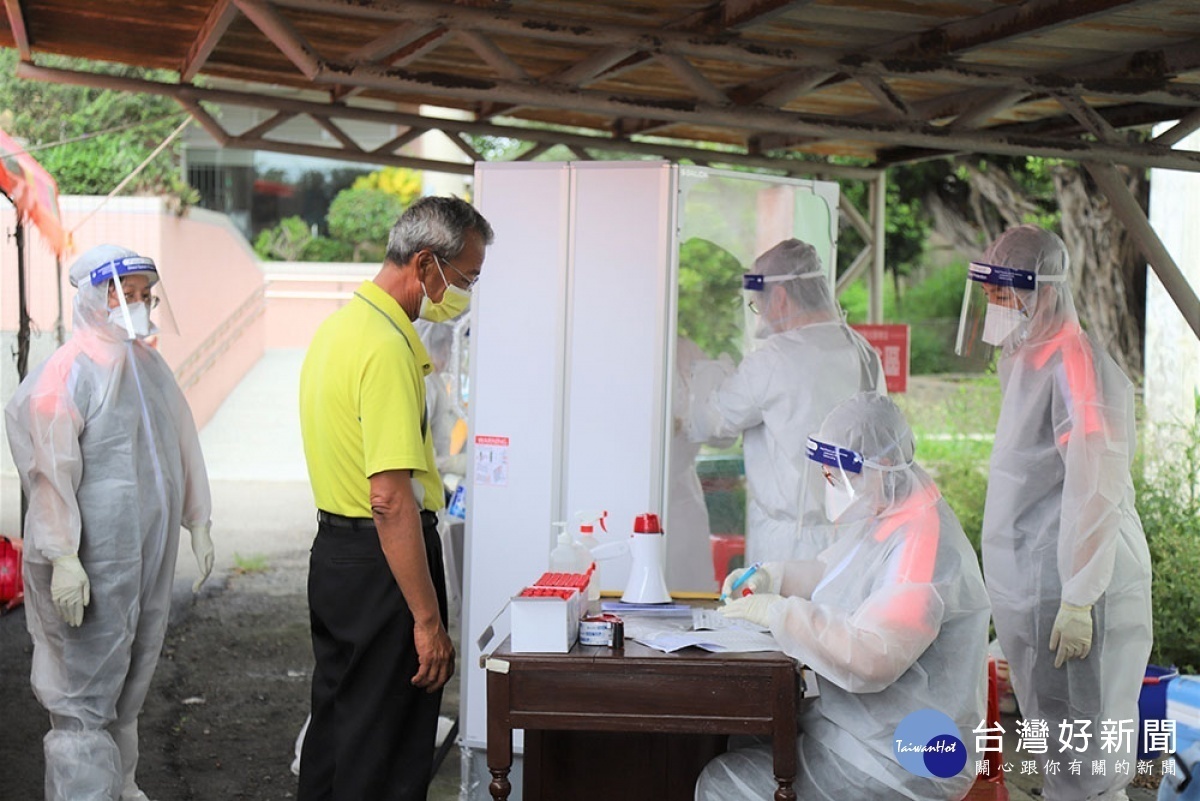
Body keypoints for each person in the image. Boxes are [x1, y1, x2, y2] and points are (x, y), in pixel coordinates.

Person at [697, 392, 991, 801]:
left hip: (901, 760)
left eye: (838, 474)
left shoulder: (924, 545)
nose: (831, 484)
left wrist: (782, 614)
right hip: (868, 736)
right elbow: (831, 572)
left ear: (882, 467)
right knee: (744, 740)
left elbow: (873, 657)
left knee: (722, 783)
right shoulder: (893, 514)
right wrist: (774, 577)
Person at [297, 196, 493, 801]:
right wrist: (429, 620)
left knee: (339, 729)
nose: (466, 293)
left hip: (335, 553)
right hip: (383, 563)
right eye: (467, 277)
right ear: (426, 264)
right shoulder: (386, 346)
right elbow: (389, 497)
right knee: (384, 748)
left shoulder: (339, 328)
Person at [5, 244, 213, 801]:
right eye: (128, 295)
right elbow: (48, 474)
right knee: (85, 694)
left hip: (143, 559)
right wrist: (63, 556)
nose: (139, 306)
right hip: (91, 562)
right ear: (95, 297)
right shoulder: (65, 373)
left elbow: (181, 442)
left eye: (147, 295)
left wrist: (198, 519)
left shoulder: (147, 366)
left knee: (131, 677)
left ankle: (118, 784)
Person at [958, 225, 1152, 801]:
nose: (995, 306)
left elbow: (1097, 482)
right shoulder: (1027, 358)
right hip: (1041, 582)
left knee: (1089, 758)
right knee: (1062, 749)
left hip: (1076, 588)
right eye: (988, 293)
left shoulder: (1076, 364)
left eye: (1002, 292)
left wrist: (1079, 595)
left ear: (1039, 290)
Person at [687, 238, 884, 563]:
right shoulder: (862, 351)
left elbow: (710, 422)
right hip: (855, 539)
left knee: (782, 614)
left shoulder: (773, 359)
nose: (760, 315)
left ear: (779, 298)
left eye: (757, 305)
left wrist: (711, 374)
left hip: (790, 546)